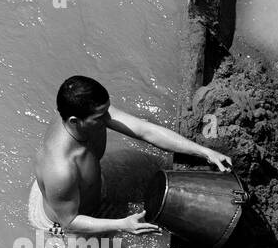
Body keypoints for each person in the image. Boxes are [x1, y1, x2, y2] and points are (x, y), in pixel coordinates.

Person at [29, 75, 233, 236]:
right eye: (101, 117)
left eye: (108, 110)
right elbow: (70, 221)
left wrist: (204, 152)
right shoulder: (60, 170)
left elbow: (145, 131)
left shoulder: (89, 113)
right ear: (75, 121)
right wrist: (122, 224)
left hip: (82, 190)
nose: (108, 118)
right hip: (63, 222)